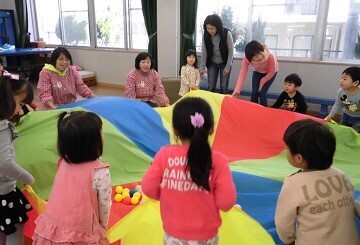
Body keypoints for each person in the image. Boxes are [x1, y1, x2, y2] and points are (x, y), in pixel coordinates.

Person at [142, 97, 236, 245]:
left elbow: (147, 188)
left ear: (174, 130)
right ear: (211, 128)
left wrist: (167, 194)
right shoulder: (218, 161)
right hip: (206, 237)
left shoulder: (164, 155)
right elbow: (226, 202)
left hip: (173, 235)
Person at [275, 119, 360, 245]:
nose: (286, 151)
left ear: (299, 158)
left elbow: (283, 222)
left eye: (287, 148)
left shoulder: (294, 183)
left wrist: (290, 240)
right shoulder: (342, 175)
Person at [32, 111, 111, 244]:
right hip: (80, 231)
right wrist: (103, 226)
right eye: (101, 131)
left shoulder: (63, 161)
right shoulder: (100, 172)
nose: (103, 135)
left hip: (53, 227)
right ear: (92, 141)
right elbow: (104, 204)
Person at [0, 75, 35, 244]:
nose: (20, 111)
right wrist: (25, 176)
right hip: (4, 193)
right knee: (16, 227)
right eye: (20, 104)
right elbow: (4, 163)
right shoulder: (2, 129)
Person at [232, 40, 279, 107]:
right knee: (254, 92)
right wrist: (237, 90)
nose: (260, 57)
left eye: (260, 54)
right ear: (251, 58)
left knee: (262, 93)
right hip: (257, 72)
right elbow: (242, 74)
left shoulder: (270, 56)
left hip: (270, 73)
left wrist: (262, 81)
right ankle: (254, 110)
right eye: (256, 56)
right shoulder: (246, 59)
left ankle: (264, 112)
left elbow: (272, 71)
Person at [199, 14, 234, 94]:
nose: (210, 31)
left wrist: (228, 67)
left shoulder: (226, 33)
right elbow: (204, 51)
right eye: (208, 28)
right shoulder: (205, 35)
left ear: (217, 26)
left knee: (224, 86)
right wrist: (202, 67)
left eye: (212, 28)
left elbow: (231, 51)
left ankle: (223, 105)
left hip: (225, 63)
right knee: (211, 86)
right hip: (212, 63)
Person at [325, 66, 360, 132]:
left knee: (354, 134)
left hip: (358, 119)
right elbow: (337, 104)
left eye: (345, 79)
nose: (341, 81)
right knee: (342, 131)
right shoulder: (340, 91)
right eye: (341, 78)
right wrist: (330, 116)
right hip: (345, 116)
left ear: (355, 83)